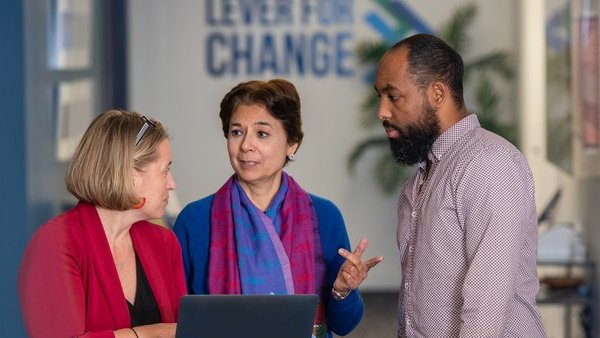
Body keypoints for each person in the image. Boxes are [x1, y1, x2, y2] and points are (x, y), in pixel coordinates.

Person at [173, 79, 383, 338]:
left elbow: (344, 325)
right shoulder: (194, 221)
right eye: (236, 132)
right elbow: (176, 321)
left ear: (292, 144)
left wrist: (343, 291)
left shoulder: (324, 216)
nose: (246, 145)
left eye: (262, 134)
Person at [374, 34, 546, 337]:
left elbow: (486, 308)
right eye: (380, 97)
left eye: (394, 96)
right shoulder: (420, 180)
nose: (383, 112)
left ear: (437, 94)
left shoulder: (490, 164)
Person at [18, 110, 186, 338]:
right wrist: (147, 334)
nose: (172, 183)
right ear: (130, 175)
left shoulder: (164, 242)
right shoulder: (54, 244)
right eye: (165, 170)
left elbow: (184, 332)